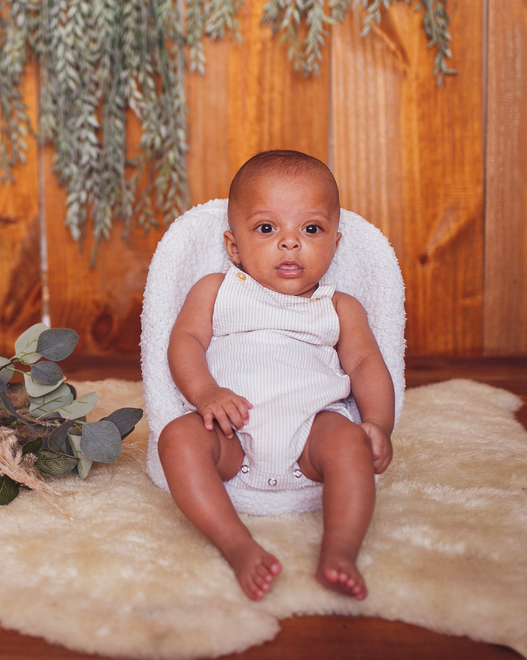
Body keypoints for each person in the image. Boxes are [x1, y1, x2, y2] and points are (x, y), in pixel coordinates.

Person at [161, 150, 394, 602]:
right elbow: (184, 340)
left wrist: (378, 424)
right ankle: (237, 544)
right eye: (267, 229)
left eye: (311, 229)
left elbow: (367, 364)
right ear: (234, 247)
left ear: (335, 244)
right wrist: (206, 392)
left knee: (349, 442)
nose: (290, 243)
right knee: (177, 438)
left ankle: (341, 550)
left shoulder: (337, 307)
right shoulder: (218, 290)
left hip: (312, 434)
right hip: (232, 433)